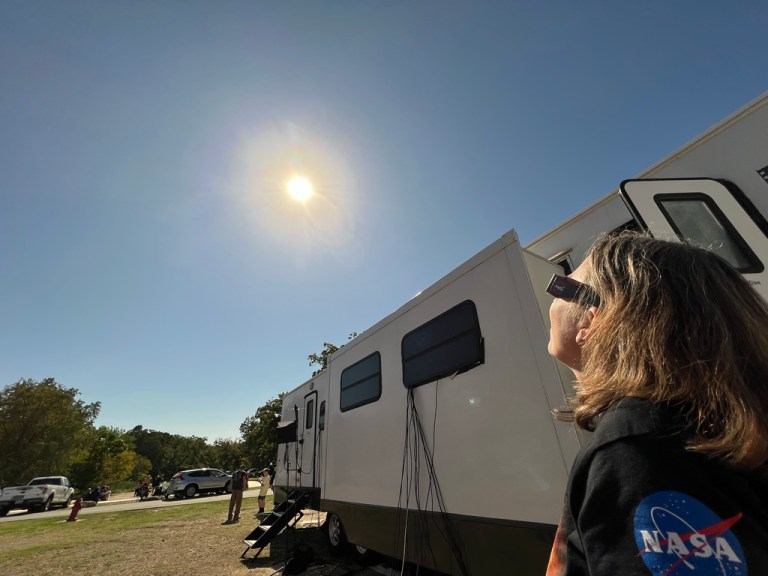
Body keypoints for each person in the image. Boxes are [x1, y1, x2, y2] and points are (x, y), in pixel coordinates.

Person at [544, 231, 768, 575]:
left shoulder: (640, 448)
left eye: (564, 283)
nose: (553, 293)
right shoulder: (700, 425)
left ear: (593, 320)